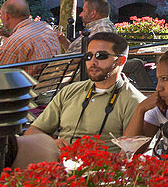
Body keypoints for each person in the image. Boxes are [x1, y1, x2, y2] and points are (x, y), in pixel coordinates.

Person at [14, 32, 145, 167]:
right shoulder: (70, 91)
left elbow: (130, 154)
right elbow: (33, 131)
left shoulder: (134, 101)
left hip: (97, 172)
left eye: (101, 56)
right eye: (88, 56)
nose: (92, 62)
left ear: (120, 61)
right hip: (58, 165)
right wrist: (52, 143)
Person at [0, 0, 61, 77]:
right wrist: (7, 34)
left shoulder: (14, 43)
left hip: (28, 88)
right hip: (50, 84)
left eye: (1, 14)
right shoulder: (45, 27)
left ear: (6, 16)